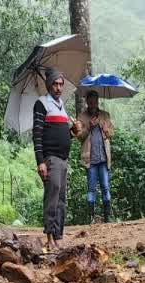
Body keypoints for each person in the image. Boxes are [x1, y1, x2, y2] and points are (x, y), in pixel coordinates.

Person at [32, 68, 81, 250]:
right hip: (50, 159)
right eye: (55, 83)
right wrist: (40, 162)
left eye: (61, 84)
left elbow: (64, 136)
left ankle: (58, 236)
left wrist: (73, 132)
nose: (59, 87)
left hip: (63, 158)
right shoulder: (41, 104)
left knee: (61, 199)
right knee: (52, 198)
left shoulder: (61, 106)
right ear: (49, 85)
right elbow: (37, 135)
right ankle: (49, 237)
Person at [77, 90, 114, 223]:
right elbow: (79, 137)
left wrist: (106, 130)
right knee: (91, 189)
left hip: (104, 159)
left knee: (105, 187)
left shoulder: (105, 115)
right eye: (90, 102)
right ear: (87, 102)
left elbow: (111, 133)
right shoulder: (82, 117)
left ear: (98, 101)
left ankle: (107, 217)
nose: (93, 104)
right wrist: (89, 127)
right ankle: (91, 218)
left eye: (95, 101)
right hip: (90, 160)